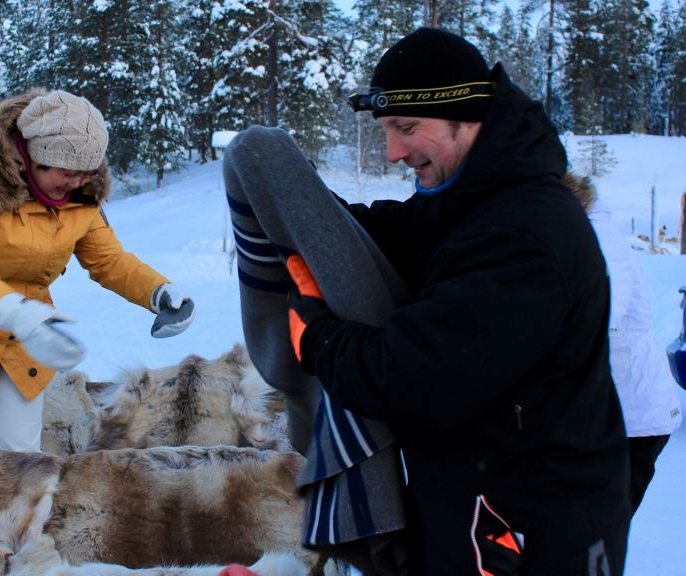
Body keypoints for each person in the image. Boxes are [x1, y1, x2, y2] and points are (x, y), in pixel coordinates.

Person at [223, 28, 629, 576]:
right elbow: (384, 237)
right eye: (387, 130)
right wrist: (294, 215)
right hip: (470, 501)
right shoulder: (471, 204)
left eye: (407, 128)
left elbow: (409, 376)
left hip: (535, 529)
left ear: (467, 116)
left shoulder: (527, 233)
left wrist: (315, 338)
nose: (393, 151)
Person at [0, 89, 195, 452]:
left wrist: (159, 292)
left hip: (20, 342)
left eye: (86, 173)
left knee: (21, 463)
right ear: (36, 156)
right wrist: (13, 311)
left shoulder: (81, 195)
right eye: (68, 172)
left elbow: (108, 260)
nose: (77, 183)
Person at [569, 174, 682, 516]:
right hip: (615, 412)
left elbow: (604, 315)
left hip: (635, 417)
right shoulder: (579, 234)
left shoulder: (599, 238)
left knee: (598, 528)